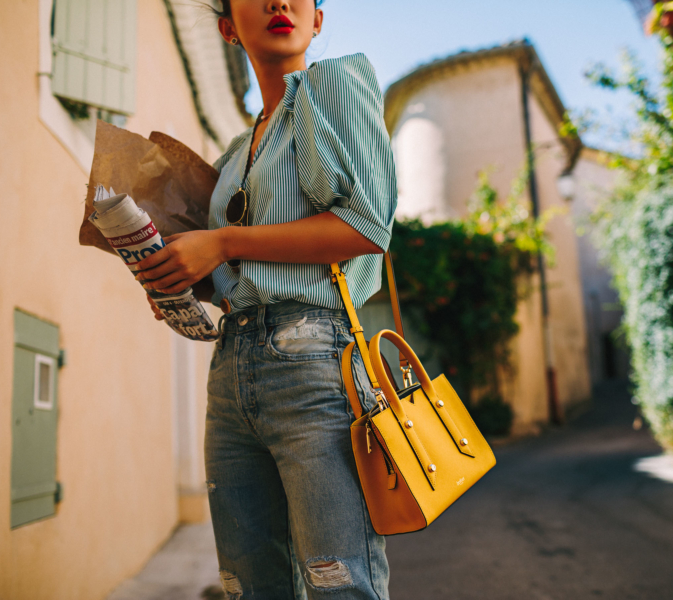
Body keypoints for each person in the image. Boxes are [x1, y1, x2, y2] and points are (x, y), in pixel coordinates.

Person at [134, 1, 396, 598]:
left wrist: (221, 239)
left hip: (315, 365)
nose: (280, 1)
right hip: (231, 376)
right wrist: (182, 281)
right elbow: (235, 276)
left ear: (318, 20)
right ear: (229, 27)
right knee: (249, 588)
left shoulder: (340, 83)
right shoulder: (231, 156)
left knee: (339, 584)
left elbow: (365, 228)